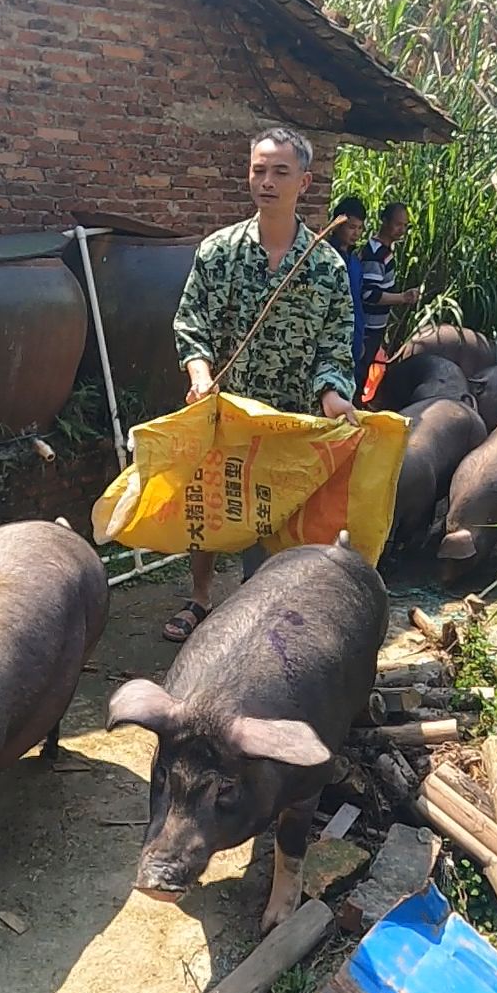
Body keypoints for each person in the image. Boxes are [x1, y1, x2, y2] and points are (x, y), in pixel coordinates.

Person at [162, 127, 359, 643]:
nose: (266, 181)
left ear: (305, 182)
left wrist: (332, 392)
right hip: (223, 411)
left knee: (274, 512)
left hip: (289, 417)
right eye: (258, 170)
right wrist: (200, 374)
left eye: (279, 172)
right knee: (208, 503)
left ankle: (264, 606)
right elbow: (191, 322)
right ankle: (201, 599)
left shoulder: (326, 267)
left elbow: (335, 343)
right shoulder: (218, 252)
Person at [358, 202, 420, 373]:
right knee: (360, 370)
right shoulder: (376, 254)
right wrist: (403, 298)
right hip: (368, 327)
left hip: (375, 326)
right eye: (398, 224)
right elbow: (370, 294)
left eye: (405, 226)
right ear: (384, 221)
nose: (401, 230)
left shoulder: (384, 252)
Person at [328, 196, 369, 371]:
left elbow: (357, 302)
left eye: (360, 228)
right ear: (337, 225)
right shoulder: (327, 258)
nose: (356, 233)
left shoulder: (355, 261)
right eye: (351, 227)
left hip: (354, 332)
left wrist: (360, 339)